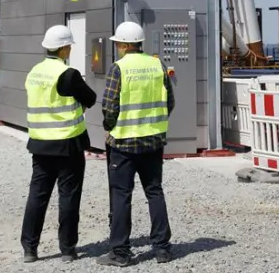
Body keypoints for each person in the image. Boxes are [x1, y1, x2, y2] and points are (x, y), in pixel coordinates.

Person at [97, 21, 175, 267]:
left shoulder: (118, 68)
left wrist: (110, 128)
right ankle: (162, 249)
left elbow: (109, 105)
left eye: (118, 43)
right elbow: (169, 102)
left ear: (124, 44)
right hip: (153, 141)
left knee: (121, 195)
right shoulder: (157, 65)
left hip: (124, 143)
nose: (118, 47)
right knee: (154, 191)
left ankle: (120, 253)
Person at [21, 24, 97, 264]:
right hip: (67, 144)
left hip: (40, 144)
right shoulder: (68, 74)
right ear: (65, 48)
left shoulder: (34, 72)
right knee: (68, 196)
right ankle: (67, 249)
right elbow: (91, 98)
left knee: (37, 196)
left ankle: (30, 249)